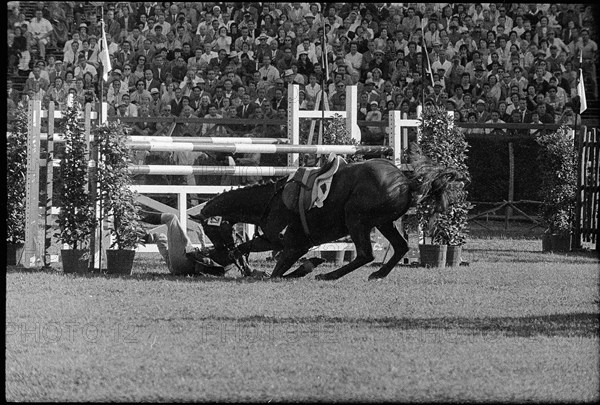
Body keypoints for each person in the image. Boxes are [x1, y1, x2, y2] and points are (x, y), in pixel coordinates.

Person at [139, 211, 225, 276]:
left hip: (186, 262)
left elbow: (206, 259)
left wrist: (202, 241)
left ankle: (137, 214)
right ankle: (131, 237)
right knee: (159, 237)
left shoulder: (225, 248)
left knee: (171, 218)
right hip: (175, 267)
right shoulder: (229, 248)